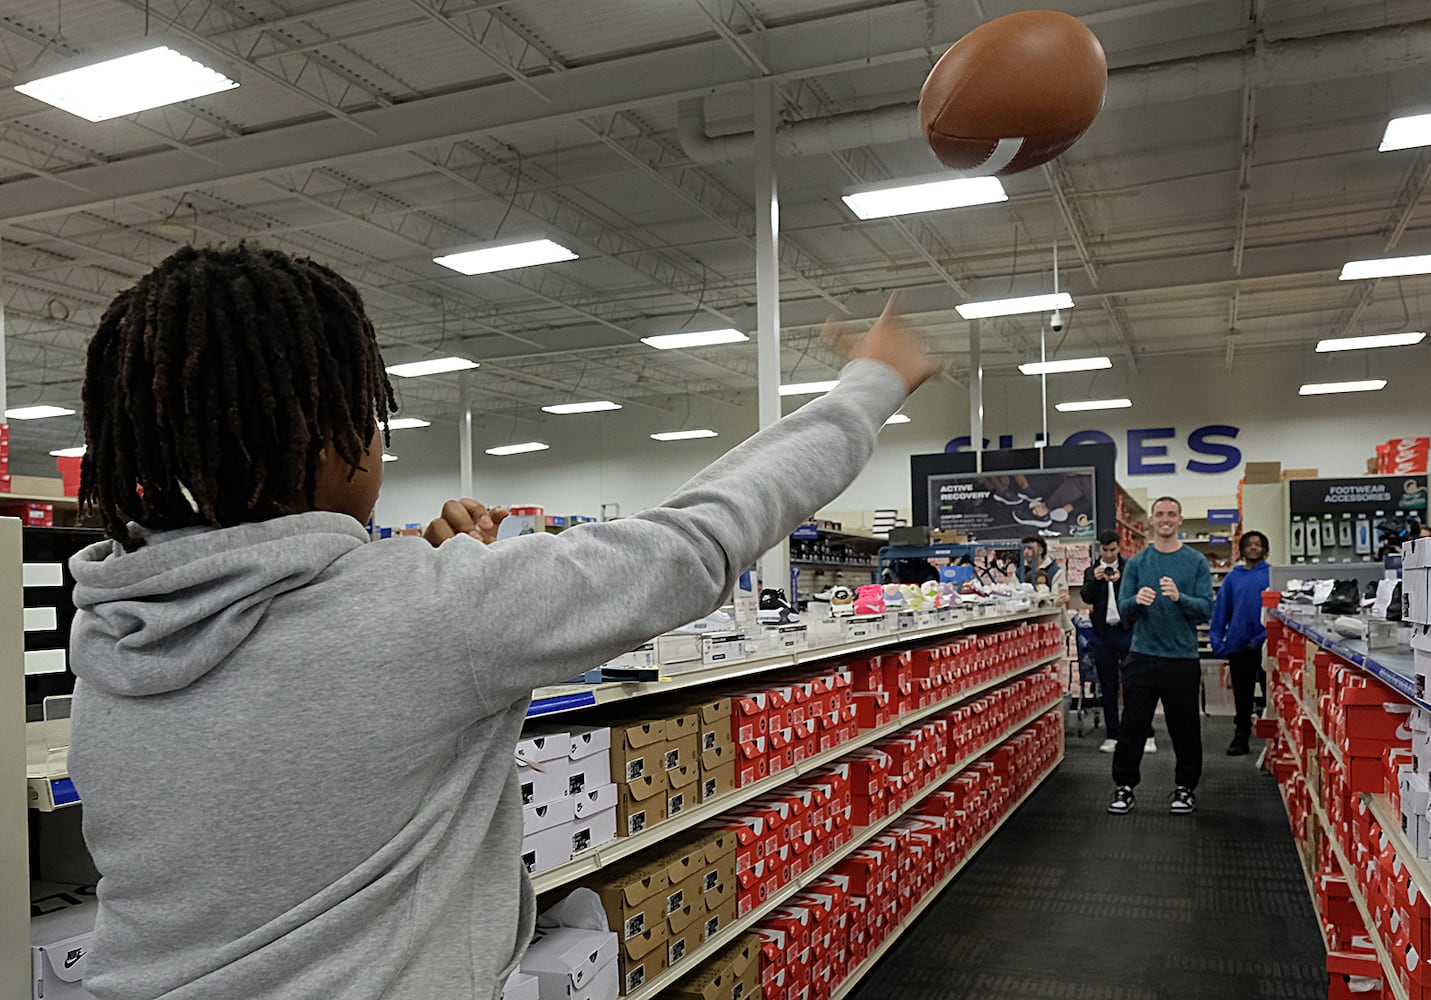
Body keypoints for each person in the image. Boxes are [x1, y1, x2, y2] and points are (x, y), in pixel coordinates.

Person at [64, 244, 940, 1000]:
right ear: (323, 437)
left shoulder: (112, 634)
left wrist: (461, 584)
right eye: (369, 419)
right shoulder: (434, 614)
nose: (377, 444)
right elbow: (694, 543)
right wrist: (870, 385)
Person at [1106, 496, 1215, 816]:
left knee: (1185, 727)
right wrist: (1136, 600)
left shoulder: (1195, 562)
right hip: (1141, 655)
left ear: (1180, 520)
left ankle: (1185, 788)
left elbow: (1205, 609)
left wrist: (1180, 598)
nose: (1165, 519)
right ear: (1152, 521)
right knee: (1132, 727)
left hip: (1182, 658)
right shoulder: (1137, 563)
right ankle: (1124, 787)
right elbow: (1122, 613)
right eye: (1160, 514)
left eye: (1171, 514)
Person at [1078, 529, 1146, 755]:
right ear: (1100, 549)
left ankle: (1142, 732)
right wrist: (1097, 580)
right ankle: (1112, 734)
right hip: (1103, 633)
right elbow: (1087, 597)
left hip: (1126, 632)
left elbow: (1138, 597)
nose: (1108, 555)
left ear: (1119, 548)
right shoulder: (1091, 571)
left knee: (1135, 684)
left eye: (1112, 550)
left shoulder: (1130, 568)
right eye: (1105, 550)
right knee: (1107, 685)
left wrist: (1119, 582)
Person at [1209, 530, 1271, 757]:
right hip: (1239, 646)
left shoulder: (1272, 576)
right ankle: (1241, 736)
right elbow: (1221, 611)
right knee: (1242, 696)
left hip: (1267, 645)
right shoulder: (1233, 578)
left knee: (1271, 695)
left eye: (1258, 544)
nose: (1253, 548)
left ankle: (1274, 742)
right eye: (1249, 544)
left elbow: (1277, 611)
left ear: (1264, 549)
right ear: (1242, 549)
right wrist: (1218, 641)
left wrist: (1262, 637)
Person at [1021, 535, 1069, 605]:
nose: (1026, 552)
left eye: (1030, 548)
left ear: (1041, 550)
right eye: (1023, 549)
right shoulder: (1020, 572)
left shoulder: (1056, 572)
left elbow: (1058, 600)